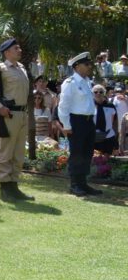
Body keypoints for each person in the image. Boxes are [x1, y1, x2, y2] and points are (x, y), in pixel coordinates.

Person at [0, 39, 34, 201]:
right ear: (7, 52)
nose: (20, 50)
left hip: (22, 114)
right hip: (8, 114)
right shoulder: (0, 69)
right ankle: (5, 188)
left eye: (19, 47)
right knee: (6, 152)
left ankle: (14, 186)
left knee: (18, 152)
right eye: (15, 48)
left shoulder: (22, 68)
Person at [55, 53, 104, 196]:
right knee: (77, 153)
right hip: (76, 121)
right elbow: (63, 107)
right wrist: (67, 126)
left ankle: (83, 183)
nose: (89, 67)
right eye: (86, 64)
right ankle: (75, 184)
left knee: (87, 153)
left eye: (90, 64)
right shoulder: (70, 83)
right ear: (77, 66)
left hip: (88, 121)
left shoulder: (87, 82)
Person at [92, 84, 118, 157]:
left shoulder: (110, 106)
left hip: (108, 135)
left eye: (101, 92)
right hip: (94, 136)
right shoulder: (89, 106)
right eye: (96, 92)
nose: (98, 93)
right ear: (92, 93)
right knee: (95, 158)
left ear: (104, 93)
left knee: (107, 158)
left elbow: (113, 121)